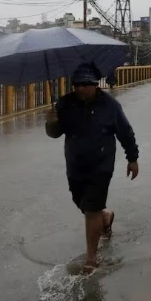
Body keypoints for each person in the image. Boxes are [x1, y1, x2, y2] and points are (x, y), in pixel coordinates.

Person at [45, 63, 139, 274]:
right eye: (76, 84)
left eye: (85, 84)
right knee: (82, 203)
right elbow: (55, 133)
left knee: (91, 209)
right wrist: (51, 123)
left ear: (95, 85)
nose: (80, 88)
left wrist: (132, 158)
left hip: (101, 163)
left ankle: (91, 257)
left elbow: (125, 132)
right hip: (75, 163)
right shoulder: (64, 103)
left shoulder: (110, 105)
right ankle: (105, 216)